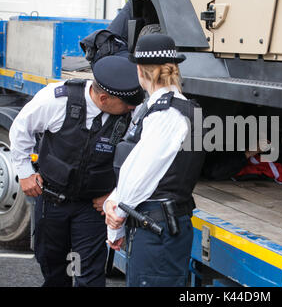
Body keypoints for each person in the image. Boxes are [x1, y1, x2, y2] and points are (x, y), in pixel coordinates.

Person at [9, 55, 144, 287]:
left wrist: (114, 195)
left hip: (92, 207)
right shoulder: (56, 100)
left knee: (89, 275)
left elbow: (140, 159)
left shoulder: (133, 111)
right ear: (103, 98)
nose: (132, 108)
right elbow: (21, 128)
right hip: (52, 201)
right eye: (127, 104)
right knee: (53, 270)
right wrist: (24, 173)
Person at [104, 33, 206, 287]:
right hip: (162, 226)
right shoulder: (175, 108)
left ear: (140, 71)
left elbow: (140, 175)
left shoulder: (166, 114)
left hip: (156, 230)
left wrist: (115, 218)